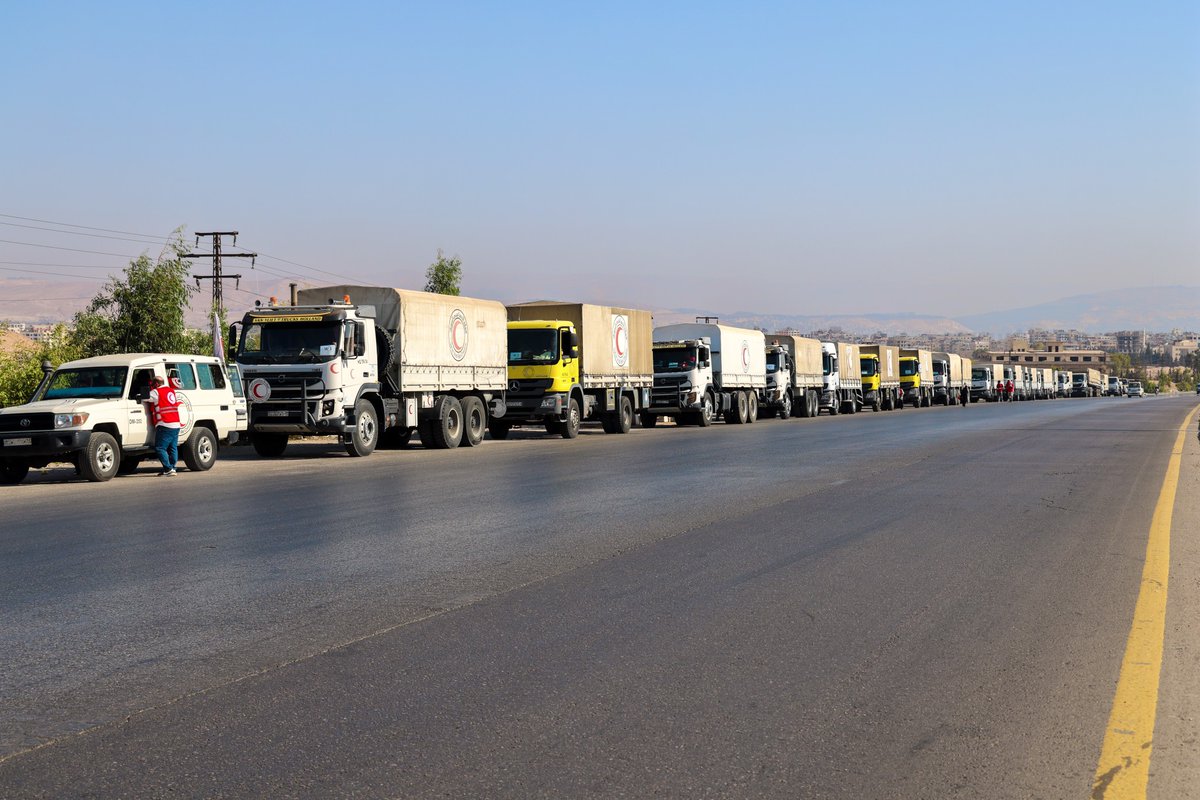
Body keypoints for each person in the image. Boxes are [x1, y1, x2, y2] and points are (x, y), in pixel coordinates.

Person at [146, 374, 182, 476]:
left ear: (156, 384)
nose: (152, 385)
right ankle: (173, 468)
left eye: (152, 384)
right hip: (176, 423)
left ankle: (168, 469)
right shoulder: (171, 390)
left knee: (160, 448)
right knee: (173, 448)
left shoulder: (156, 392)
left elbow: (145, 398)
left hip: (165, 423)